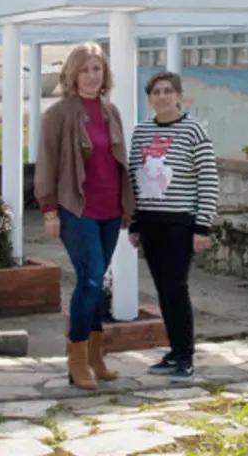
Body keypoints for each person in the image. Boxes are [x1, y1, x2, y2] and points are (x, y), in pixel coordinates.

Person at [34, 42, 135, 391]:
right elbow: (46, 164)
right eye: (85, 69)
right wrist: (48, 209)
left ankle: (95, 355)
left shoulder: (112, 112)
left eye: (98, 68)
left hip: (110, 210)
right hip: (77, 210)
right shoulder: (58, 114)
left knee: (96, 280)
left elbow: (120, 163)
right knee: (90, 279)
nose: (92, 75)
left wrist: (128, 207)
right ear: (72, 74)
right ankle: (76, 358)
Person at [128, 71, 219, 382]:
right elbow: (135, 179)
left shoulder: (194, 131)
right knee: (162, 290)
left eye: (168, 91)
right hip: (151, 222)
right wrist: (135, 222)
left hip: (181, 223)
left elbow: (208, 180)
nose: (162, 96)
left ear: (179, 95)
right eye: (156, 92)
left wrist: (202, 226)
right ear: (149, 98)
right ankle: (173, 350)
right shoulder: (141, 133)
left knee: (176, 288)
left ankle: (185, 355)